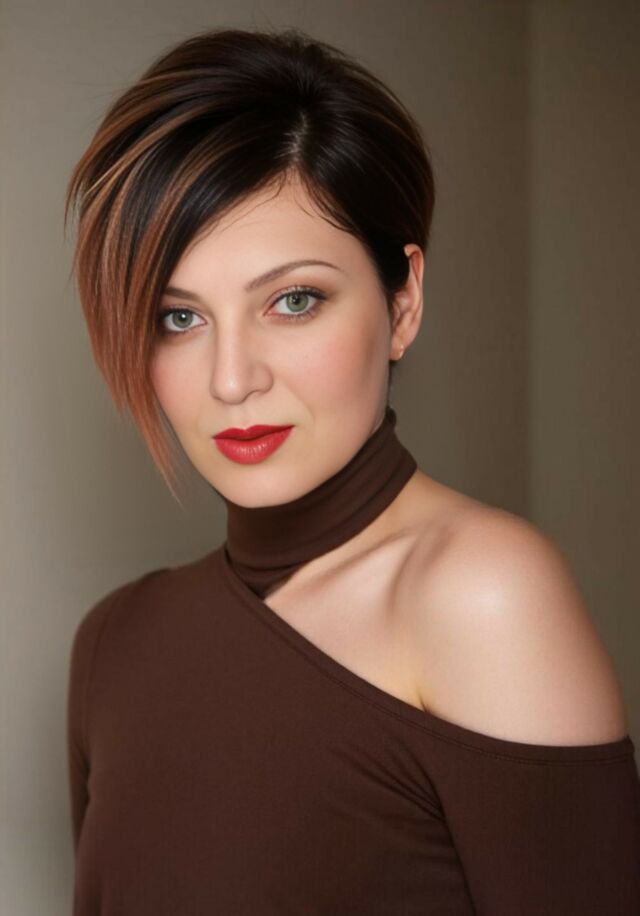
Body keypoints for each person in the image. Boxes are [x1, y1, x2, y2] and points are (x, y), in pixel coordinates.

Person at [64, 26, 640, 914]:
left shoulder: (484, 594)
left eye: (293, 301)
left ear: (403, 302)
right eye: (179, 318)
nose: (232, 379)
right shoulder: (113, 645)